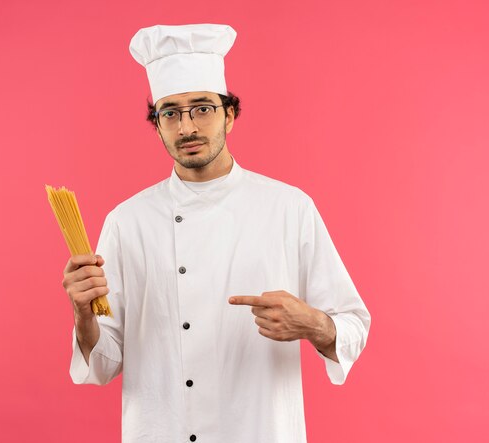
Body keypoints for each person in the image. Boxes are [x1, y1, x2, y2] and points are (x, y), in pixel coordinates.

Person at [62, 24, 370, 443]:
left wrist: (314, 323)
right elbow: (103, 362)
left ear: (230, 113)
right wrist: (83, 314)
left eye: (202, 108)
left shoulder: (288, 208)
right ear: (157, 125)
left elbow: (353, 324)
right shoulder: (126, 221)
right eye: (170, 112)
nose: (187, 126)